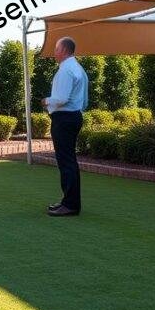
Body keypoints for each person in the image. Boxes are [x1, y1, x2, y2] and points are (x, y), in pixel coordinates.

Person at [42, 36, 88, 216]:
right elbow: (83, 99)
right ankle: (69, 201)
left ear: (63, 50)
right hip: (74, 115)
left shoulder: (66, 70)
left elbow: (61, 99)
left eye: (56, 49)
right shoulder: (77, 68)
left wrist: (46, 101)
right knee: (69, 161)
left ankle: (70, 205)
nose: (54, 53)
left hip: (64, 118)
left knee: (66, 161)